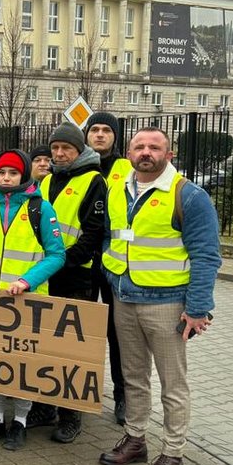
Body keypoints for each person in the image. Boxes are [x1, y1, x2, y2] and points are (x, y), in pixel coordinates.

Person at [98, 127, 221, 465]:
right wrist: (110, 270)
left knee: (173, 384)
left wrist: (197, 308)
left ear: (169, 155)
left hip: (167, 305)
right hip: (124, 298)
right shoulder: (119, 191)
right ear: (130, 153)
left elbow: (206, 255)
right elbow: (112, 236)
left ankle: (173, 452)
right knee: (133, 377)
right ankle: (136, 439)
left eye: (155, 147)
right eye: (140, 146)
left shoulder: (189, 195)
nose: (146, 152)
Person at [0, 149, 65, 451]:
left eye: (13, 174)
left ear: (23, 176)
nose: (6, 178)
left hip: (27, 300)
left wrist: (26, 282)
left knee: (23, 364)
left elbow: (57, 254)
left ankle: (20, 421)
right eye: (2, 173)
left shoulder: (41, 209)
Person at [28, 123, 107, 444]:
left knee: (71, 350)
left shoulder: (93, 181)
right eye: (55, 148)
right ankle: (44, 406)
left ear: (79, 150)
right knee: (44, 345)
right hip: (46, 276)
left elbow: (93, 232)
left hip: (76, 276)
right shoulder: (46, 181)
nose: (59, 154)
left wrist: (62, 260)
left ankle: (70, 415)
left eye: (66, 149)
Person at [85, 111, 132, 425]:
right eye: (95, 130)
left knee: (119, 336)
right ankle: (77, 394)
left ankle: (123, 397)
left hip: (116, 266)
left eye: (106, 130)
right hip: (83, 264)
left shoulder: (128, 169)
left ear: (115, 136)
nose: (100, 135)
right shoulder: (78, 167)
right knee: (82, 333)